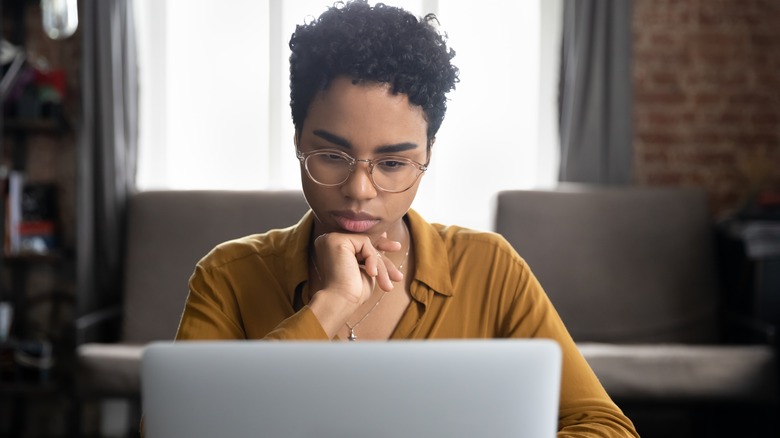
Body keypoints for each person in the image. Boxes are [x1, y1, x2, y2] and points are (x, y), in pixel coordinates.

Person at [175, 1, 639, 436]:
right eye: (332, 155)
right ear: (298, 139)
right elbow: (179, 428)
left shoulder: (490, 268)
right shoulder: (227, 276)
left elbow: (606, 426)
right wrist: (330, 305)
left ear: (428, 154)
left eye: (393, 163)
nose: (360, 190)